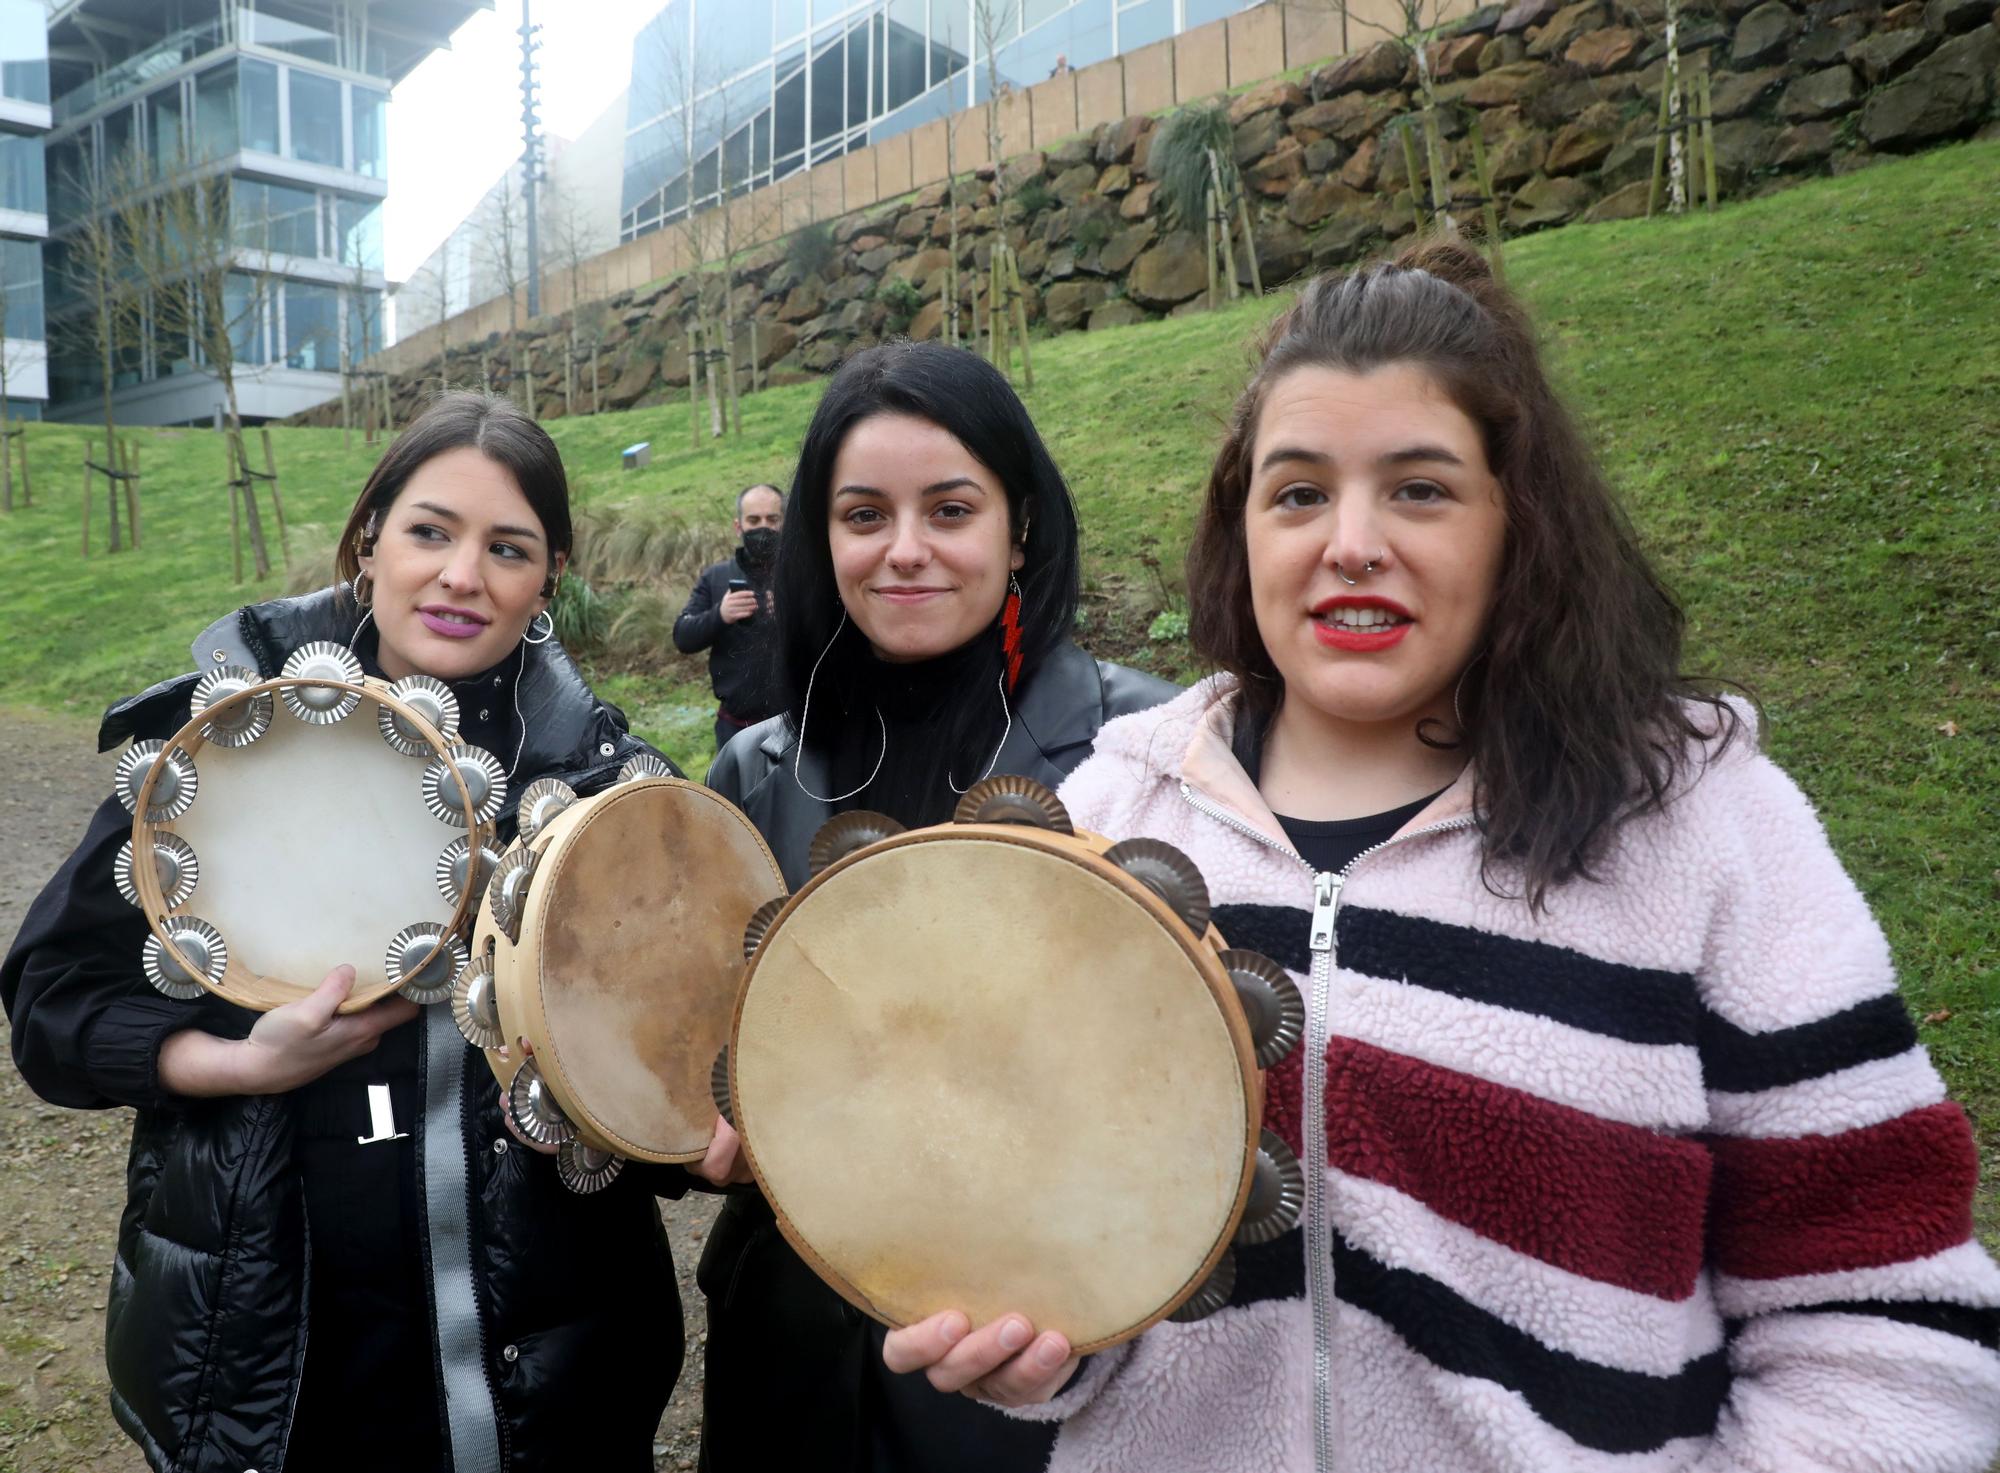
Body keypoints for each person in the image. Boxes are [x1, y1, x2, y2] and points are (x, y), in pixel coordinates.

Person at [879, 243, 2000, 1471]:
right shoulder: (1116, 815)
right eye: (1296, 493)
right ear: (1239, 525)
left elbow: (1886, 1328)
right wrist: (1048, 1341)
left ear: (1518, 520)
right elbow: (1058, 1209)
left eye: (1418, 489)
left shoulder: (1703, 826)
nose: (1348, 542)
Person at [3, 392, 698, 1473]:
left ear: (549, 574)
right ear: (369, 539)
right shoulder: (218, 744)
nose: (462, 575)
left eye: (507, 548)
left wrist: (606, 1097)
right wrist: (227, 1064)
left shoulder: (612, 796)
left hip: (541, 1397)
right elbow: (50, 1004)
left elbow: (682, 1087)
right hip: (268, 1385)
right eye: (430, 531)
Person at [694, 340, 1178, 1471]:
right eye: (862, 515)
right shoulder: (757, 772)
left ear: (1018, 528)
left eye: (948, 509)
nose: (902, 551)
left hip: (1035, 1367)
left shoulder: (1145, 756)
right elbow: (707, 1063)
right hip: (788, 1355)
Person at [675, 482, 788, 753]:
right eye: (754, 520)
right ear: (739, 527)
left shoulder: (804, 576)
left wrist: (792, 614)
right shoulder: (716, 578)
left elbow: (833, 637)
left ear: (786, 523)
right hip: (734, 728)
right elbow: (683, 637)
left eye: (772, 519)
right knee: (730, 798)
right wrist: (720, 614)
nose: (763, 527)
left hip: (795, 725)